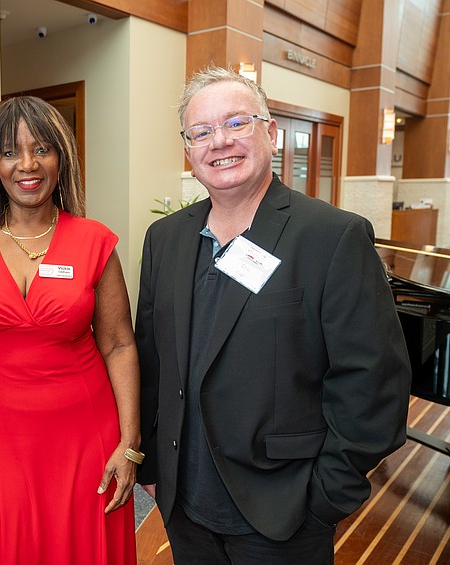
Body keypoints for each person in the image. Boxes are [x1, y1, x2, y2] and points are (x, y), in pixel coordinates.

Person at [135, 65, 412, 563]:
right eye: (201, 132)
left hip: (283, 513)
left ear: (271, 132)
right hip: (183, 504)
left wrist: (325, 498)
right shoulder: (166, 239)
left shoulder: (332, 237)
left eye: (237, 123)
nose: (219, 142)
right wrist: (152, 467)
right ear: (188, 150)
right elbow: (152, 363)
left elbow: (374, 383)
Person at [0, 96, 140, 564]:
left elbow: (120, 344)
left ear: (61, 159)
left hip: (85, 438)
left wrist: (129, 445)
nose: (27, 164)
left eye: (42, 148)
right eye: (10, 152)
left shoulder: (95, 241)